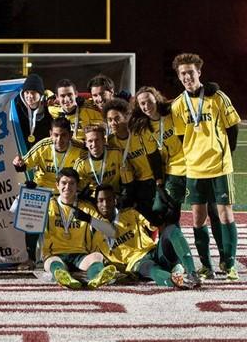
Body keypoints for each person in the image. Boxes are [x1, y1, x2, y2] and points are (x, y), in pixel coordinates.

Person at [171, 53, 241, 281]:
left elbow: (233, 126)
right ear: (178, 76)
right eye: (183, 73)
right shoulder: (178, 105)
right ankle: (206, 266)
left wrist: (225, 154)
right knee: (198, 218)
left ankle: (229, 264)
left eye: (191, 72)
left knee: (225, 214)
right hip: (194, 169)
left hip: (220, 167)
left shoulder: (218, 97)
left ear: (199, 72)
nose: (187, 76)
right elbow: (183, 137)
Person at [130, 86, 225, 254]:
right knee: (166, 212)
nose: (146, 106)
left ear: (157, 100)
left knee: (212, 210)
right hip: (174, 172)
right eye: (142, 103)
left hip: (197, 166)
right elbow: (154, 157)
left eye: (149, 101)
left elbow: (189, 98)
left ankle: (225, 256)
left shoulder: (172, 111)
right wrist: (159, 182)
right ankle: (176, 254)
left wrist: (208, 88)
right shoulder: (144, 127)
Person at [91, 184, 201, 288]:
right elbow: (101, 261)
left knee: (171, 229)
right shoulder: (96, 236)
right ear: (96, 204)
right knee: (151, 268)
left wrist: (142, 207)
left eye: (109, 199)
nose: (105, 204)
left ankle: (192, 273)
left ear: (115, 200)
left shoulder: (130, 213)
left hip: (155, 252)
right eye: (101, 201)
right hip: (137, 264)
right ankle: (175, 280)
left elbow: (154, 224)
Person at [13, 117, 86, 269]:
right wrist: (18, 164)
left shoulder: (80, 149)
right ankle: (31, 258)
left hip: (68, 192)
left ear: (71, 134)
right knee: (31, 205)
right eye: (56, 135)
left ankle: (77, 254)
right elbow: (23, 165)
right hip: (45, 192)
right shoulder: (43, 145)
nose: (59, 139)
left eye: (64, 135)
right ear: (50, 134)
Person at [42, 168, 117, 289]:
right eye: (64, 183)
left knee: (97, 257)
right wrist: (26, 194)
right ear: (57, 185)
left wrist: (88, 219)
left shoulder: (85, 207)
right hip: (55, 254)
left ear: (77, 186)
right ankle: (63, 277)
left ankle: (97, 277)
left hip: (80, 255)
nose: (67, 187)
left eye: (72, 183)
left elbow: (112, 232)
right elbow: (16, 214)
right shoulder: (47, 204)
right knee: (51, 263)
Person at [103, 98, 162, 217]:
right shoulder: (111, 141)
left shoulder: (139, 133)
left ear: (126, 117)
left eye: (117, 118)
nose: (113, 123)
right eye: (109, 120)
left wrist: (159, 181)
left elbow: (155, 157)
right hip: (130, 184)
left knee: (155, 216)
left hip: (149, 181)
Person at [74, 125, 135, 207]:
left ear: (104, 140)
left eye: (97, 140)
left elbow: (128, 182)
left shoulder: (117, 154)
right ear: (86, 144)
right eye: (90, 141)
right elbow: (79, 190)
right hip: (93, 201)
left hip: (115, 198)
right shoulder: (81, 163)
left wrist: (123, 198)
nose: (94, 144)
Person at [13, 73, 52, 152]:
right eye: (27, 92)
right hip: (22, 151)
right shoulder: (16, 106)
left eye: (33, 92)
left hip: (43, 152)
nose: (29, 96)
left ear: (40, 93)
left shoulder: (49, 107)